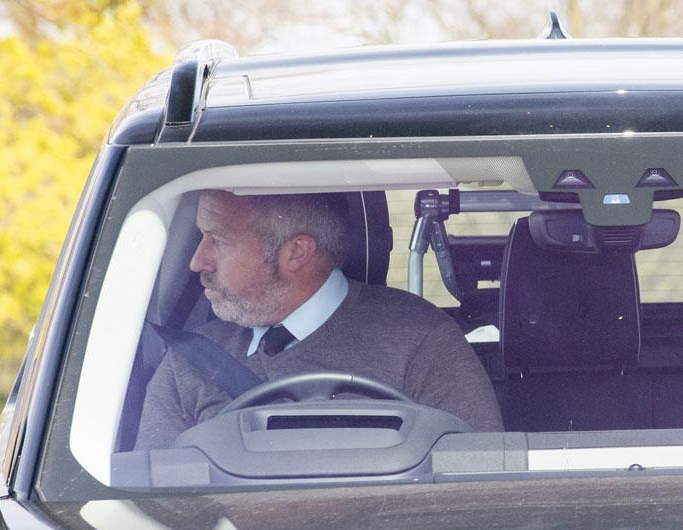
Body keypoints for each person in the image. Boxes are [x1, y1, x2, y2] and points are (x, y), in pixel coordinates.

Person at [134, 189, 502, 449]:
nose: (197, 261)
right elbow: (151, 511)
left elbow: (480, 484)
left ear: (295, 253)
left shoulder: (421, 339)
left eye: (217, 240)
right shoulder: (189, 360)